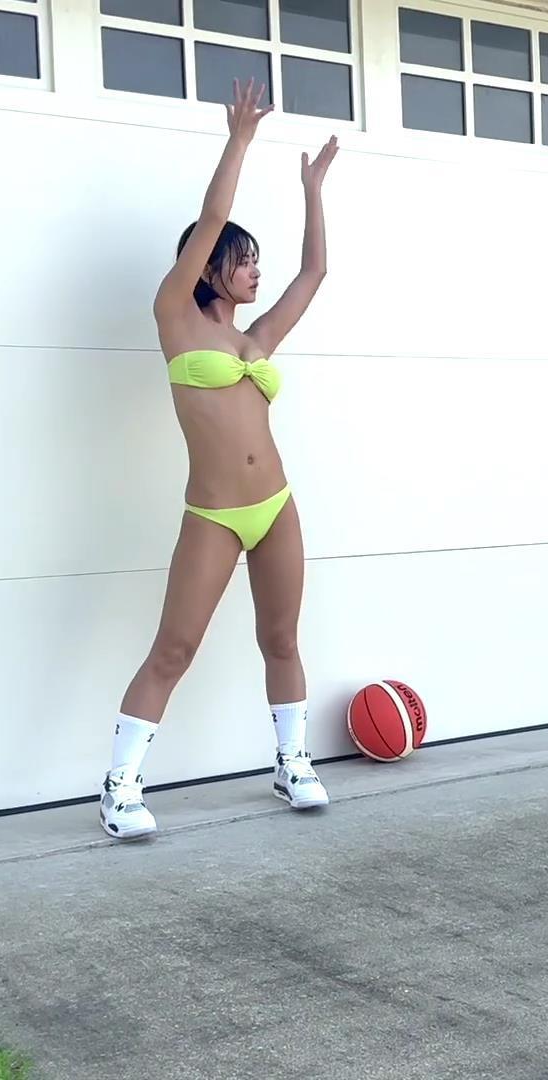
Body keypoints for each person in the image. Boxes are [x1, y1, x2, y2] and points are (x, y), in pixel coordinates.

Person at [100, 79, 340, 841]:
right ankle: (119, 787)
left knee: (282, 640)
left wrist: (312, 192)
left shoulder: (254, 338)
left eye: (256, 261)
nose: (255, 271)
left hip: (276, 506)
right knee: (174, 649)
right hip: (214, 513)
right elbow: (209, 221)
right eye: (243, 261)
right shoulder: (175, 318)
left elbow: (314, 275)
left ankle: (291, 763)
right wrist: (240, 143)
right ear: (208, 269)